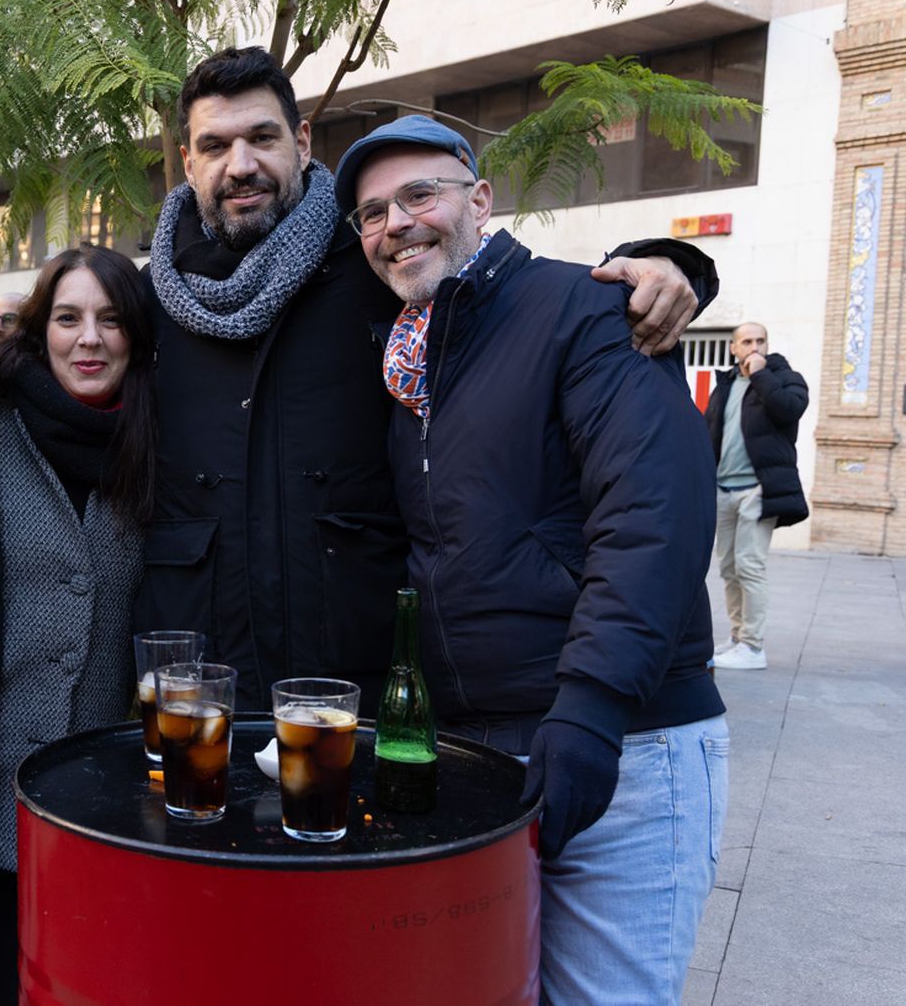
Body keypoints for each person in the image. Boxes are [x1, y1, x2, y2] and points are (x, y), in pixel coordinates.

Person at [134, 45, 717, 710]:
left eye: (262, 137)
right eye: (215, 145)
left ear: (300, 142)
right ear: (188, 162)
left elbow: (511, 297)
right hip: (205, 700)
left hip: (365, 704)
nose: (241, 165)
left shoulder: (384, 267)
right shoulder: (152, 303)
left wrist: (657, 265)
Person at [336, 115, 728, 1005]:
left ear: (479, 200)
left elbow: (651, 520)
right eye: (369, 213)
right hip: (478, 753)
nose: (394, 222)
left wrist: (590, 706)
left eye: (418, 194)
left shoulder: (587, 308)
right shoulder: (406, 362)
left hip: (625, 742)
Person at [0, 246, 155, 1005]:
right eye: (69, 317)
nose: (90, 338)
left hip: (98, 810)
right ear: (39, 329)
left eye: (111, 319)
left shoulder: (158, 443)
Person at [704, 322, 809, 670]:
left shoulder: (784, 378)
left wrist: (762, 375)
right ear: (733, 348)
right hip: (723, 489)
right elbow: (710, 433)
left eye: (760, 340)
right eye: (746, 341)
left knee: (750, 565)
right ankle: (737, 638)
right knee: (729, 568)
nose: (754, 346)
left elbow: (789, 409)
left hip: (757, 489)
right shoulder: (725, 384)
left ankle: (753, 646)